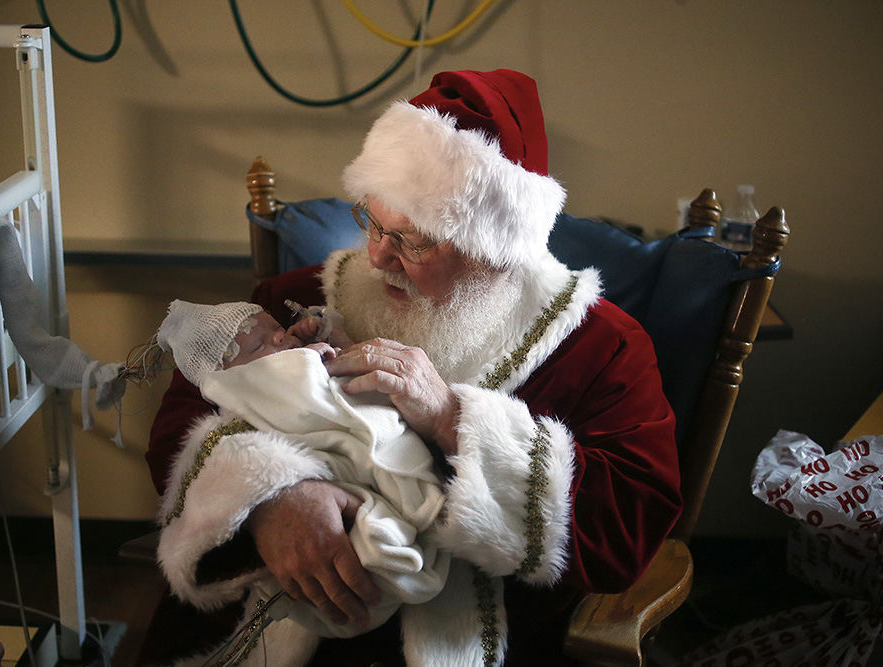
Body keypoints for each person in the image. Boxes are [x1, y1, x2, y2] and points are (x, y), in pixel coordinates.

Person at [147, 69, 681, 666]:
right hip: (281, 616)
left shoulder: (601, 347)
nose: (377, 257)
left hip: (488, 639)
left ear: (497, 251)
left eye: (415, 241)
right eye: (372, 223)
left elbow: (627, 526)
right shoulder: (296, 298)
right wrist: (271, 496)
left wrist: (454, 420)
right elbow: (182, 419)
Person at [151, 299, 450, 639]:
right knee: (374, 535)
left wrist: (321, 332)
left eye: (277, 330)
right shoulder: (247, 362)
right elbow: (173, 435)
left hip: (382, 465)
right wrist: (268, 497)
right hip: (339, 480)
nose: (279, 339)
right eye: (260, 344)